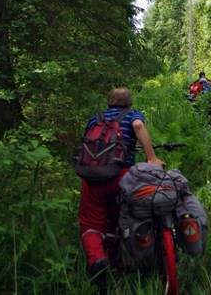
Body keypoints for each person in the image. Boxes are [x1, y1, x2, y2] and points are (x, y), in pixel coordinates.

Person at [78, 87, 164, 295]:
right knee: (117, 221)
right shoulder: (132, 115)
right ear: (129, 102)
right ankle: (120, 263)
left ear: (109, 101)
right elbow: (137, 125)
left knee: (91, 224)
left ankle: (98, 261)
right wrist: (151, 158)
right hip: (121, 176)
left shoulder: (95, 118)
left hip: (92, 178)